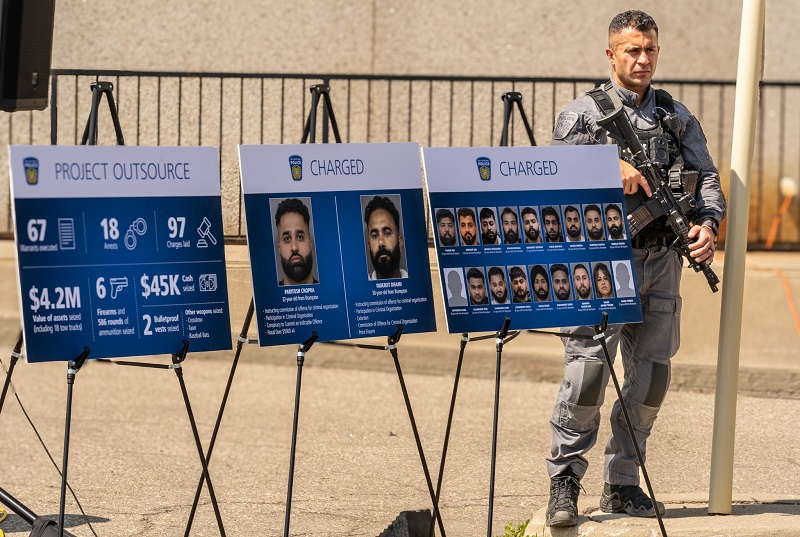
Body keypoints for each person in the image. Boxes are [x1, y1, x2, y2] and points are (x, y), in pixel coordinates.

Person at [545, 10, 726, 527]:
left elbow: (707, 177)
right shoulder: (584, 115)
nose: (643, 59)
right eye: (632, 50)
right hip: (603, 263)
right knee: (587, 376)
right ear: (611, 55)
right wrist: (608, 167)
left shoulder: (676, 116)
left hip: (662, 262)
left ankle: (622, 483)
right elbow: (551, 178)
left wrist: (708, 225)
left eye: (650, 50)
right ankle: (564, 481)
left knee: (650, 381)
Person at [275, 197, 318, 286]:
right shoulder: (266, 294)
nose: (294, 247)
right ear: (279, 250)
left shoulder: (331, 292)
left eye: (300, 237)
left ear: (310, 246)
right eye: (287, 239)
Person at [364, 195, 408, 280]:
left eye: (387, 234)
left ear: (400, 243)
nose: (381, 242)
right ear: (369, 246)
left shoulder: (416, 283)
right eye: (375, 236)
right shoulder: (359, 285)